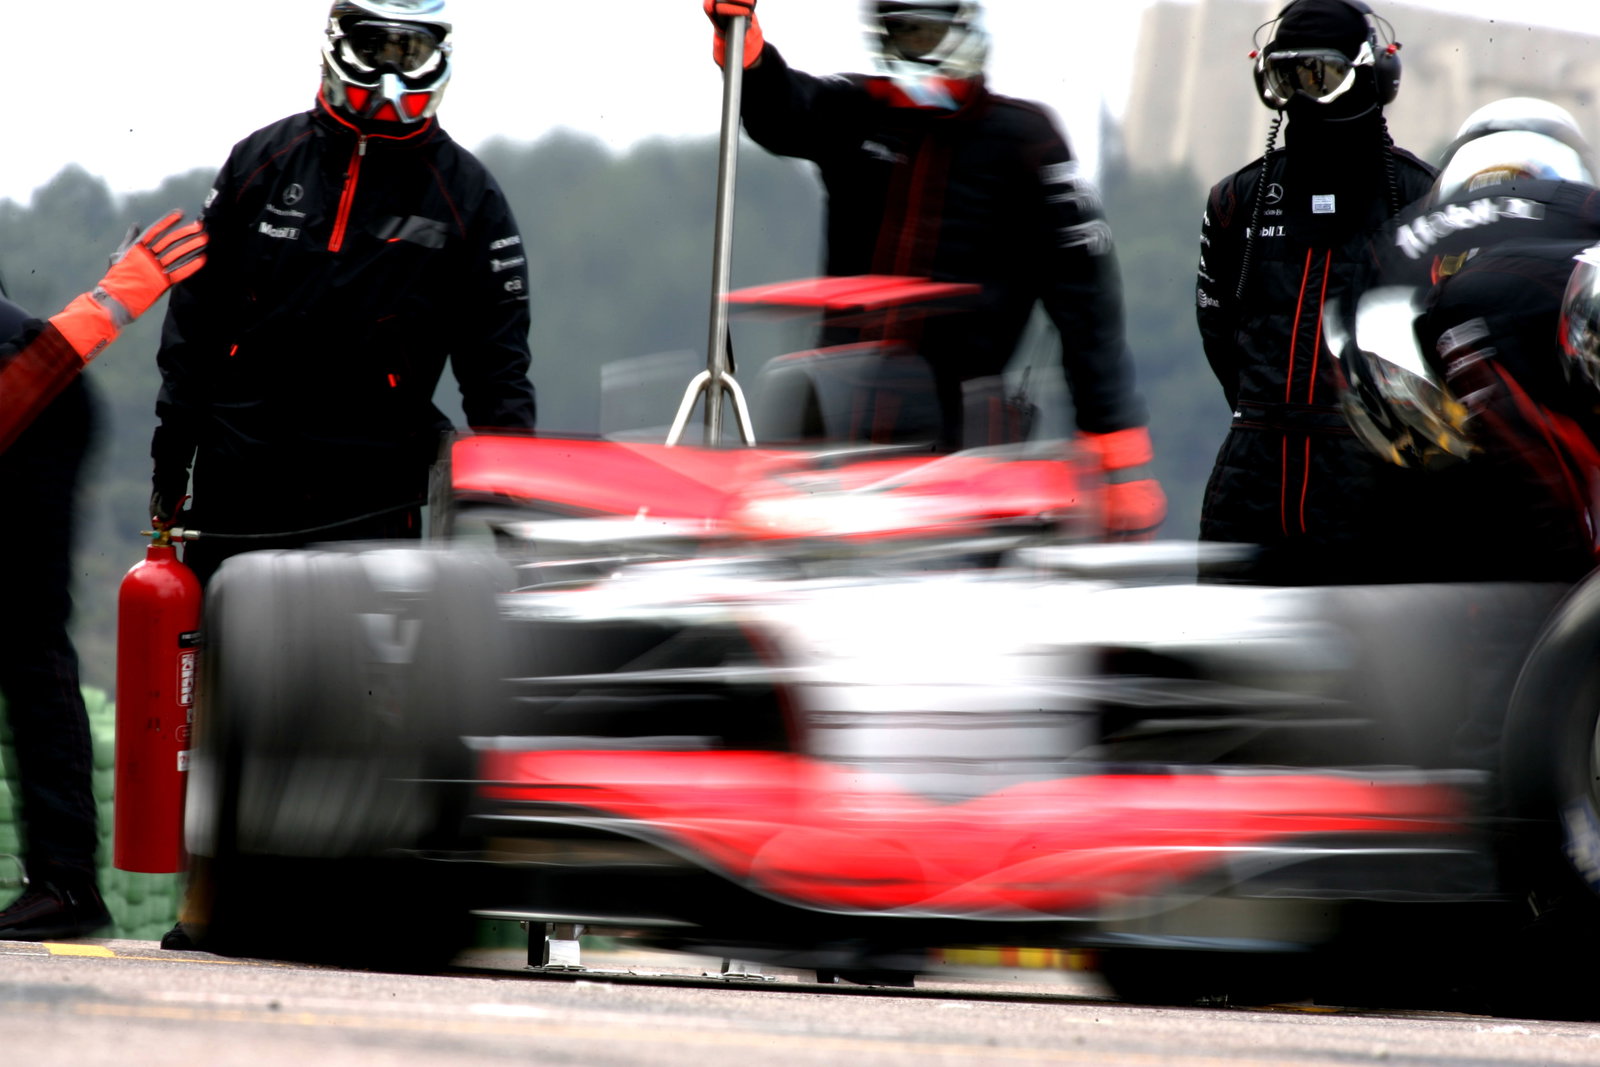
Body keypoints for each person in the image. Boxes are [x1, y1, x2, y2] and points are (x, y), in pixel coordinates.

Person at [702, 0, 1165, 540]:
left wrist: (1115, 449)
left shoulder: (1028, 141)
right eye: (900, 31)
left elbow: (1088, 307)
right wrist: (745, 43)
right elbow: (782, 111)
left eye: (923, 31)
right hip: (836, 430)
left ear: (962, 27)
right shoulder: (858, 111)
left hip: (963, 444)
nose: (912, 45)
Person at [149, 0, 536, 588]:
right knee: (226, 670)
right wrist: (170, 462)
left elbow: (498, 373)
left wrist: (513, 516)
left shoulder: (470, 196)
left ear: (439, 56)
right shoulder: (259, 161)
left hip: (374, 494)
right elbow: (194, 325)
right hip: (242, 477)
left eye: (410, 51)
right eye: (375, 46)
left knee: (364, 679)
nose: (391, 70)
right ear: (337, 43)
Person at [0, 214, 208, 940]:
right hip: (29, 379)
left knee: (26, 636)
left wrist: (116, 294)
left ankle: (64, 882)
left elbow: (19, 389)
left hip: (34, 402)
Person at [1195, 0, 1436, 583]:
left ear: (1370, 73)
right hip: (1251, 474)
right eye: (1285, 77)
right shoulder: (1236, 200)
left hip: (1374, 483)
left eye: (1318, 75)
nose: (1302, 95)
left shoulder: (1423, 199)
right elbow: (1220, 338)